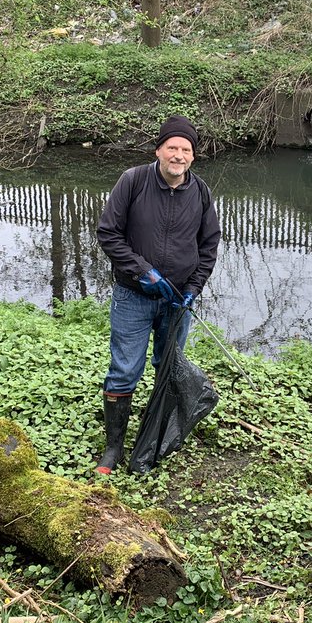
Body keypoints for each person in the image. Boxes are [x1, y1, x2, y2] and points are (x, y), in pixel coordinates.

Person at [94, 115, 221, 475]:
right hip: (133, 296)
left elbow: (209, 245)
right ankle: (114, 448)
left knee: (168, 367)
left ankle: (154, 437)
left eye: (186, 149)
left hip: (177, 301)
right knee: (124, 370)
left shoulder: (201, 192)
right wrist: (141, 270)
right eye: (172, 148)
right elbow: (108, 233)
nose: (178, 155)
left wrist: (193, 288)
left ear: (192, 157)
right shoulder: (132, 181)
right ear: (159, 151)